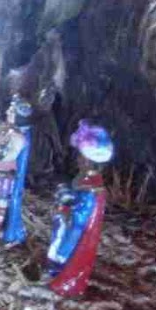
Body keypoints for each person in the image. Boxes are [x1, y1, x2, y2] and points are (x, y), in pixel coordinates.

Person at [45, 121, 113, 297]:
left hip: (74, 228)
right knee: (58, 246)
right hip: (70, 221)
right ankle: (55, 271)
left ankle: (61, 276)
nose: (77, 159)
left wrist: (66, 204)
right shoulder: (85, 180)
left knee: (63, 250)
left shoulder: (92, 187)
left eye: (80, 156)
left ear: (87, 160)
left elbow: (82, 213)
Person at [0, 96, 32, 245]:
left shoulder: (18, 137)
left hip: (4, 173)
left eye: (12, 111)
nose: (8, 112)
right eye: (9, 109)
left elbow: (11, 155)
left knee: (1, 201)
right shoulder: (7, 130)